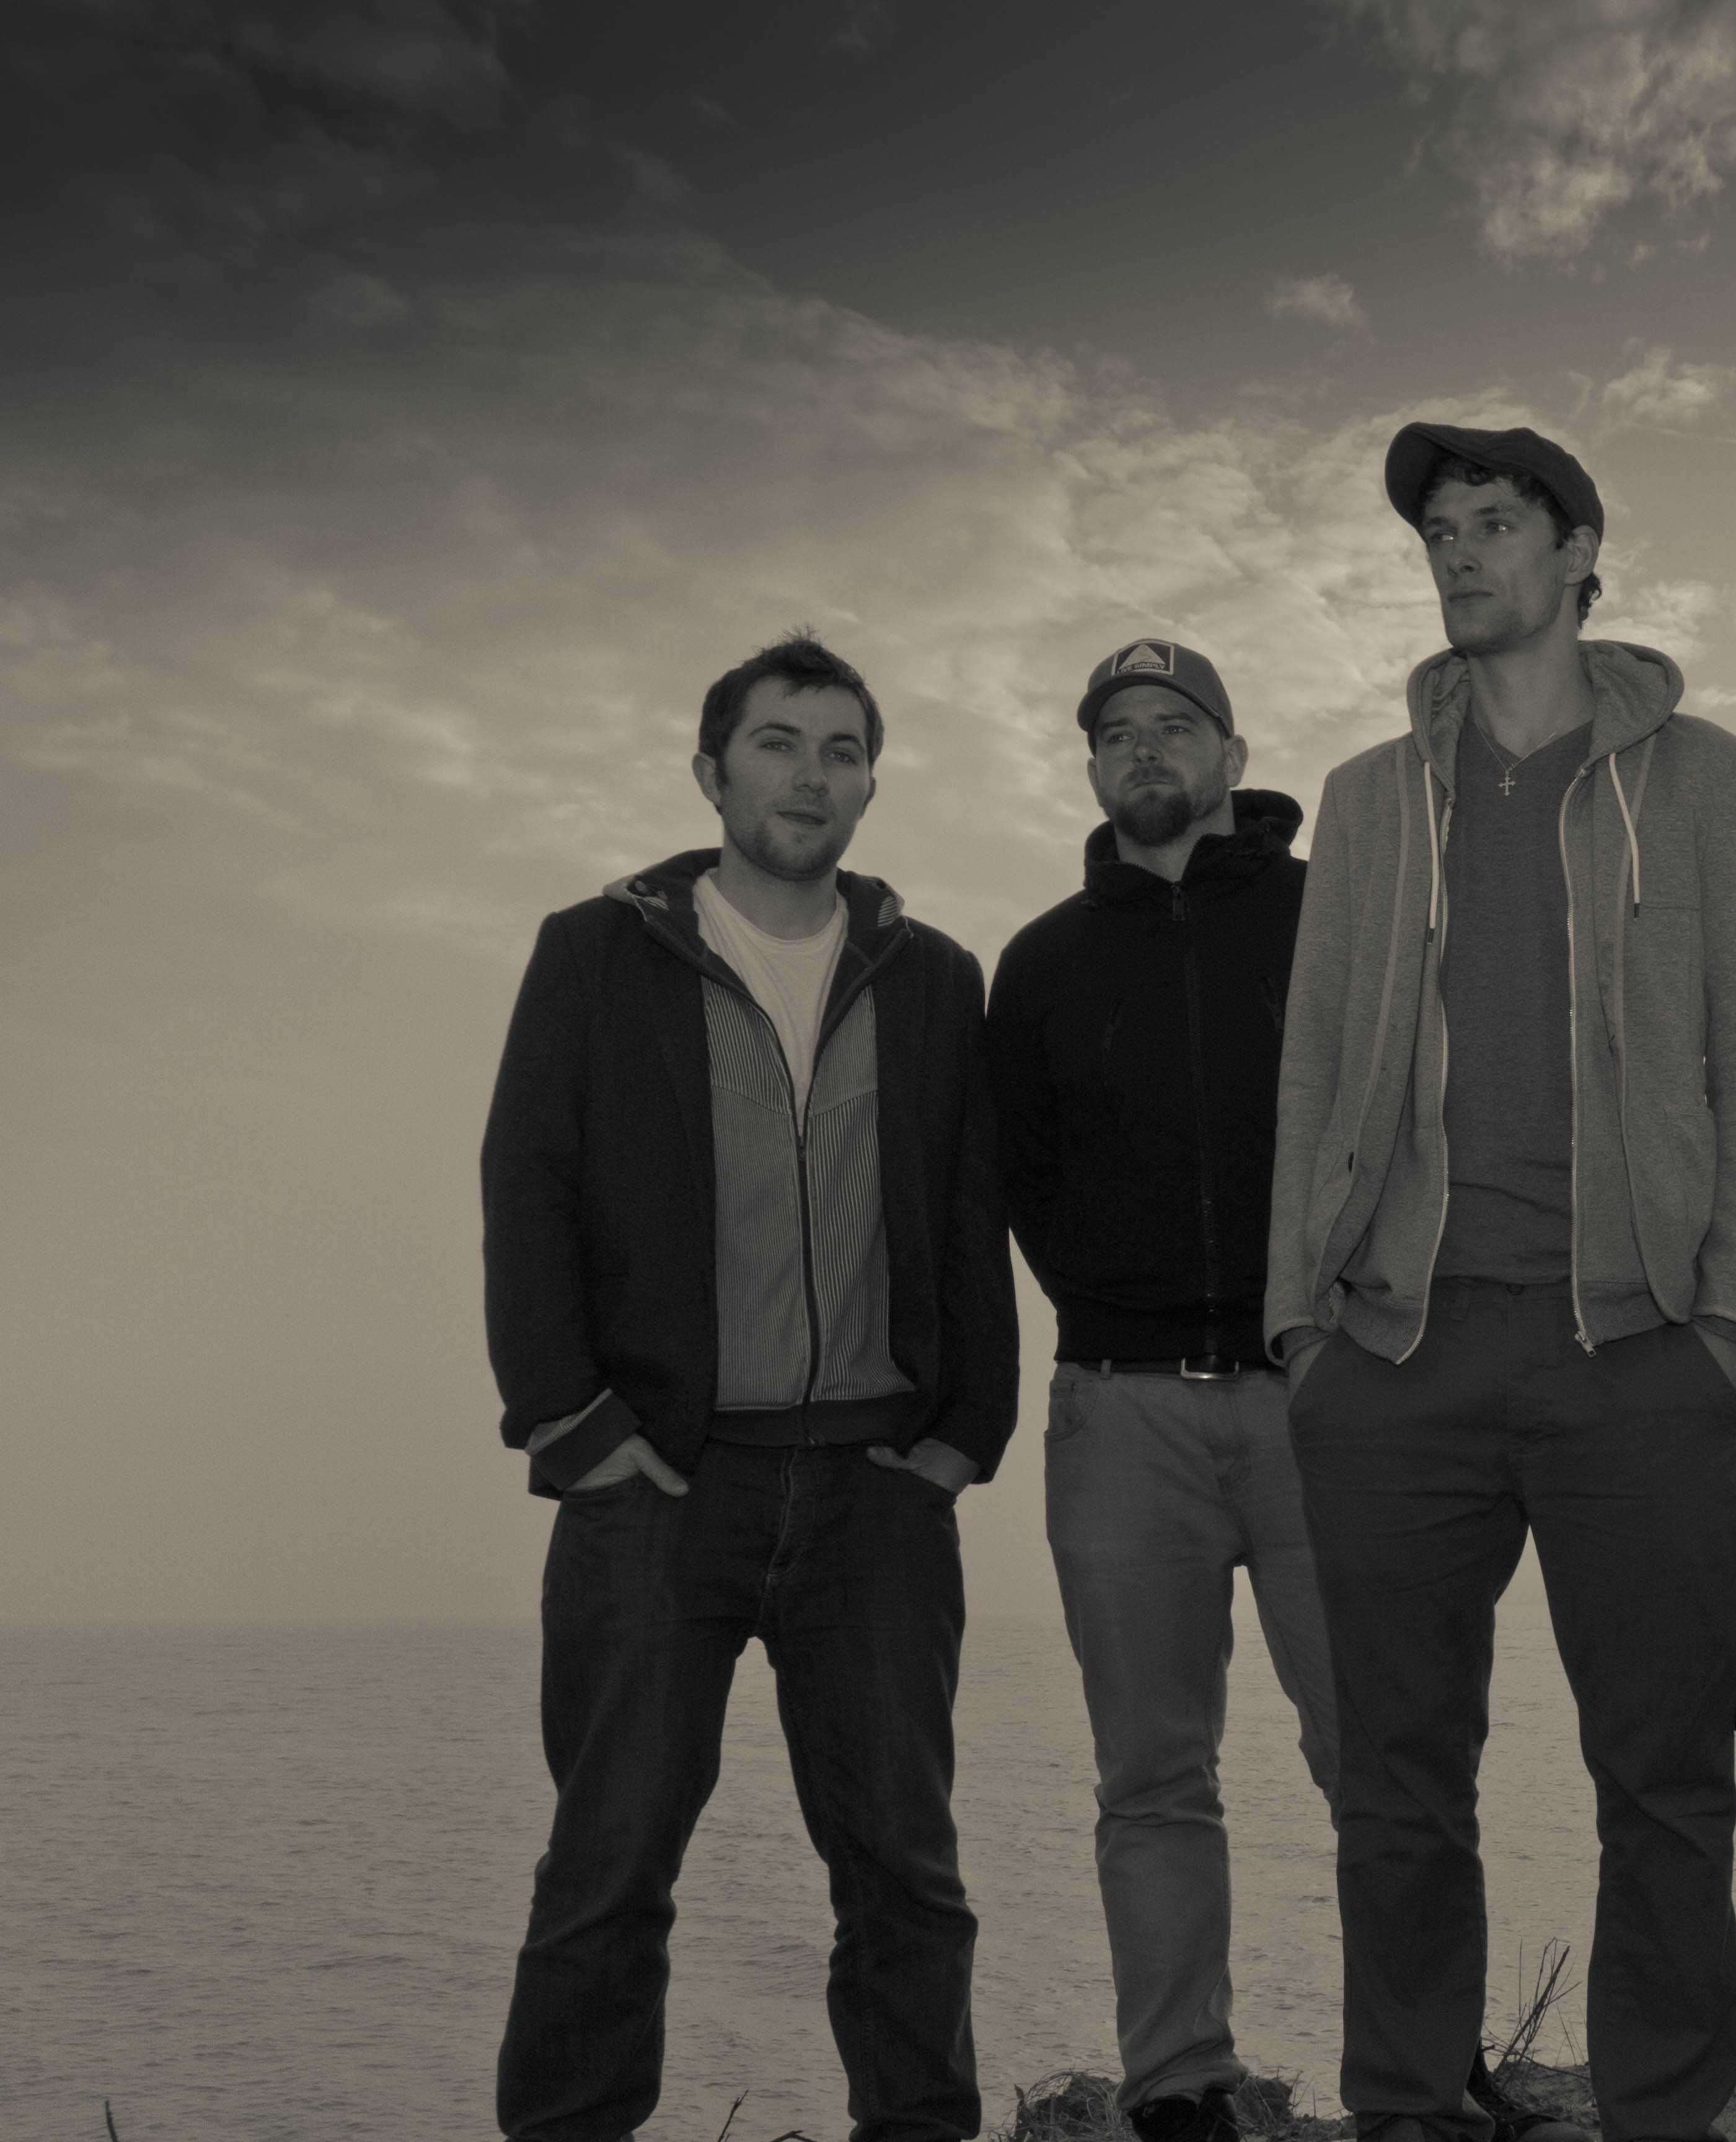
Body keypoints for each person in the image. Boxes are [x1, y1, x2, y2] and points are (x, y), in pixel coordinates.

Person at [1265, 421, 1736, 2142]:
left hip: (1638, 1353)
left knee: (1665, 1780)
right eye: (1440, 530)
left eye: (1496, 522)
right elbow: (1313, 1064)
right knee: (1397, 1786)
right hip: (1395, 1355)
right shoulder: (1366, 799)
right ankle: (1407, 2108)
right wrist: (1300, 1327)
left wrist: (1730, 1323)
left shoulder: (1698, 778)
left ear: (1578, 556)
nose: (1460, 552)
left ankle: (1663, 2114)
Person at [482, 632, 1015, 2142]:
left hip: (875, 1493)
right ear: (712, 771)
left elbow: (967, 1210)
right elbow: (528, 1187)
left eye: (843, 751)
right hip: (659, 1482)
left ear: (871, 786)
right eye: (779, 743)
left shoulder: (932, 976)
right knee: (608, 1870)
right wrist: (577, 1427)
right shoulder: (596, 953)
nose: (811, 775)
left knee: (905, 1874)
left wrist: (963, 1437)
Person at [985, 639, 1339, 2142]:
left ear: (1234, 755)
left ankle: (1421, 2064)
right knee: (1151, 1775)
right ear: (1090, 767)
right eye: (1118, 730)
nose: (1145, 748)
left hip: (1325, 1397)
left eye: (1175, 724)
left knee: (1380, 1755)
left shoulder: (1333, 918)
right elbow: (1022, 1175)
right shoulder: (1043, 961)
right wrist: (1110, 1297)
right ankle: (1181, 2081)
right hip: (1121, 1411)